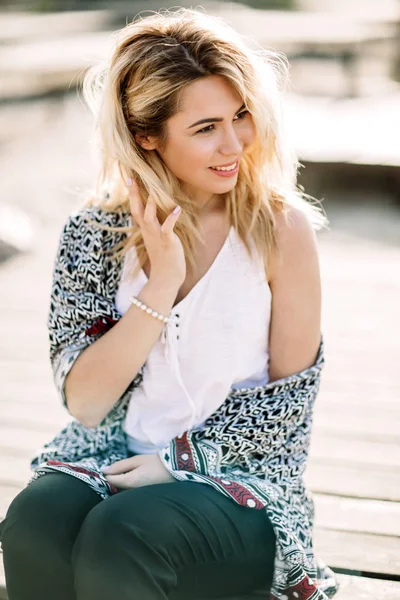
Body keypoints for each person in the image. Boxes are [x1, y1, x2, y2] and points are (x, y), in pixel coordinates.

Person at [0, 8, 339, 600]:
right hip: (111, 457)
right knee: (34, 522)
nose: (234, 144)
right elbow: (85, 401)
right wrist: (160, 287)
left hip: (242, 485)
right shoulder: (94, 234)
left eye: (241, 117)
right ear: (145, 136)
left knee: (123, 533)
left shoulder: (280, 230)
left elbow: (287, 416)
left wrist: (179, 465)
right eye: (206, 127)